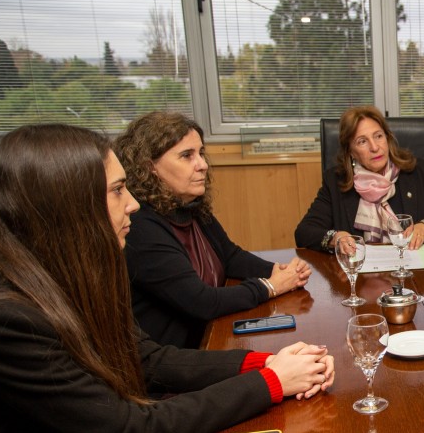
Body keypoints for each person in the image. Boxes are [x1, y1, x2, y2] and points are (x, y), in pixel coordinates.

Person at [0, 124, 334, 433]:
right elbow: (132, 428)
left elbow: (151, 360)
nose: (132, 204)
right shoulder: (7, 316)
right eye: (117, 191)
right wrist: (271, 382)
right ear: (67, 206)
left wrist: (264, 360)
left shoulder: (67, 274)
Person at [115, 112, 311, 349]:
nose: (203, 165)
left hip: (212, 334)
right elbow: (202, 301)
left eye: (201, 153)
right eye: (187, 156)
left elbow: (230, 257)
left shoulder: (189, 206)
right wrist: (271, 286)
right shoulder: (140, 228)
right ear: (150, 167)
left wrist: (279, 271)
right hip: (179, 360)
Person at [295, 105, 424, 253]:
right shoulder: (336, 181)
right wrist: (335, 238)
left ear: (388, 138)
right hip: (362, 279)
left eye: (378, 136)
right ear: (351, 152)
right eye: (362, 141)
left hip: (415, 274)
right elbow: (304, 232)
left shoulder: (418, 172)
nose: (375, 147)